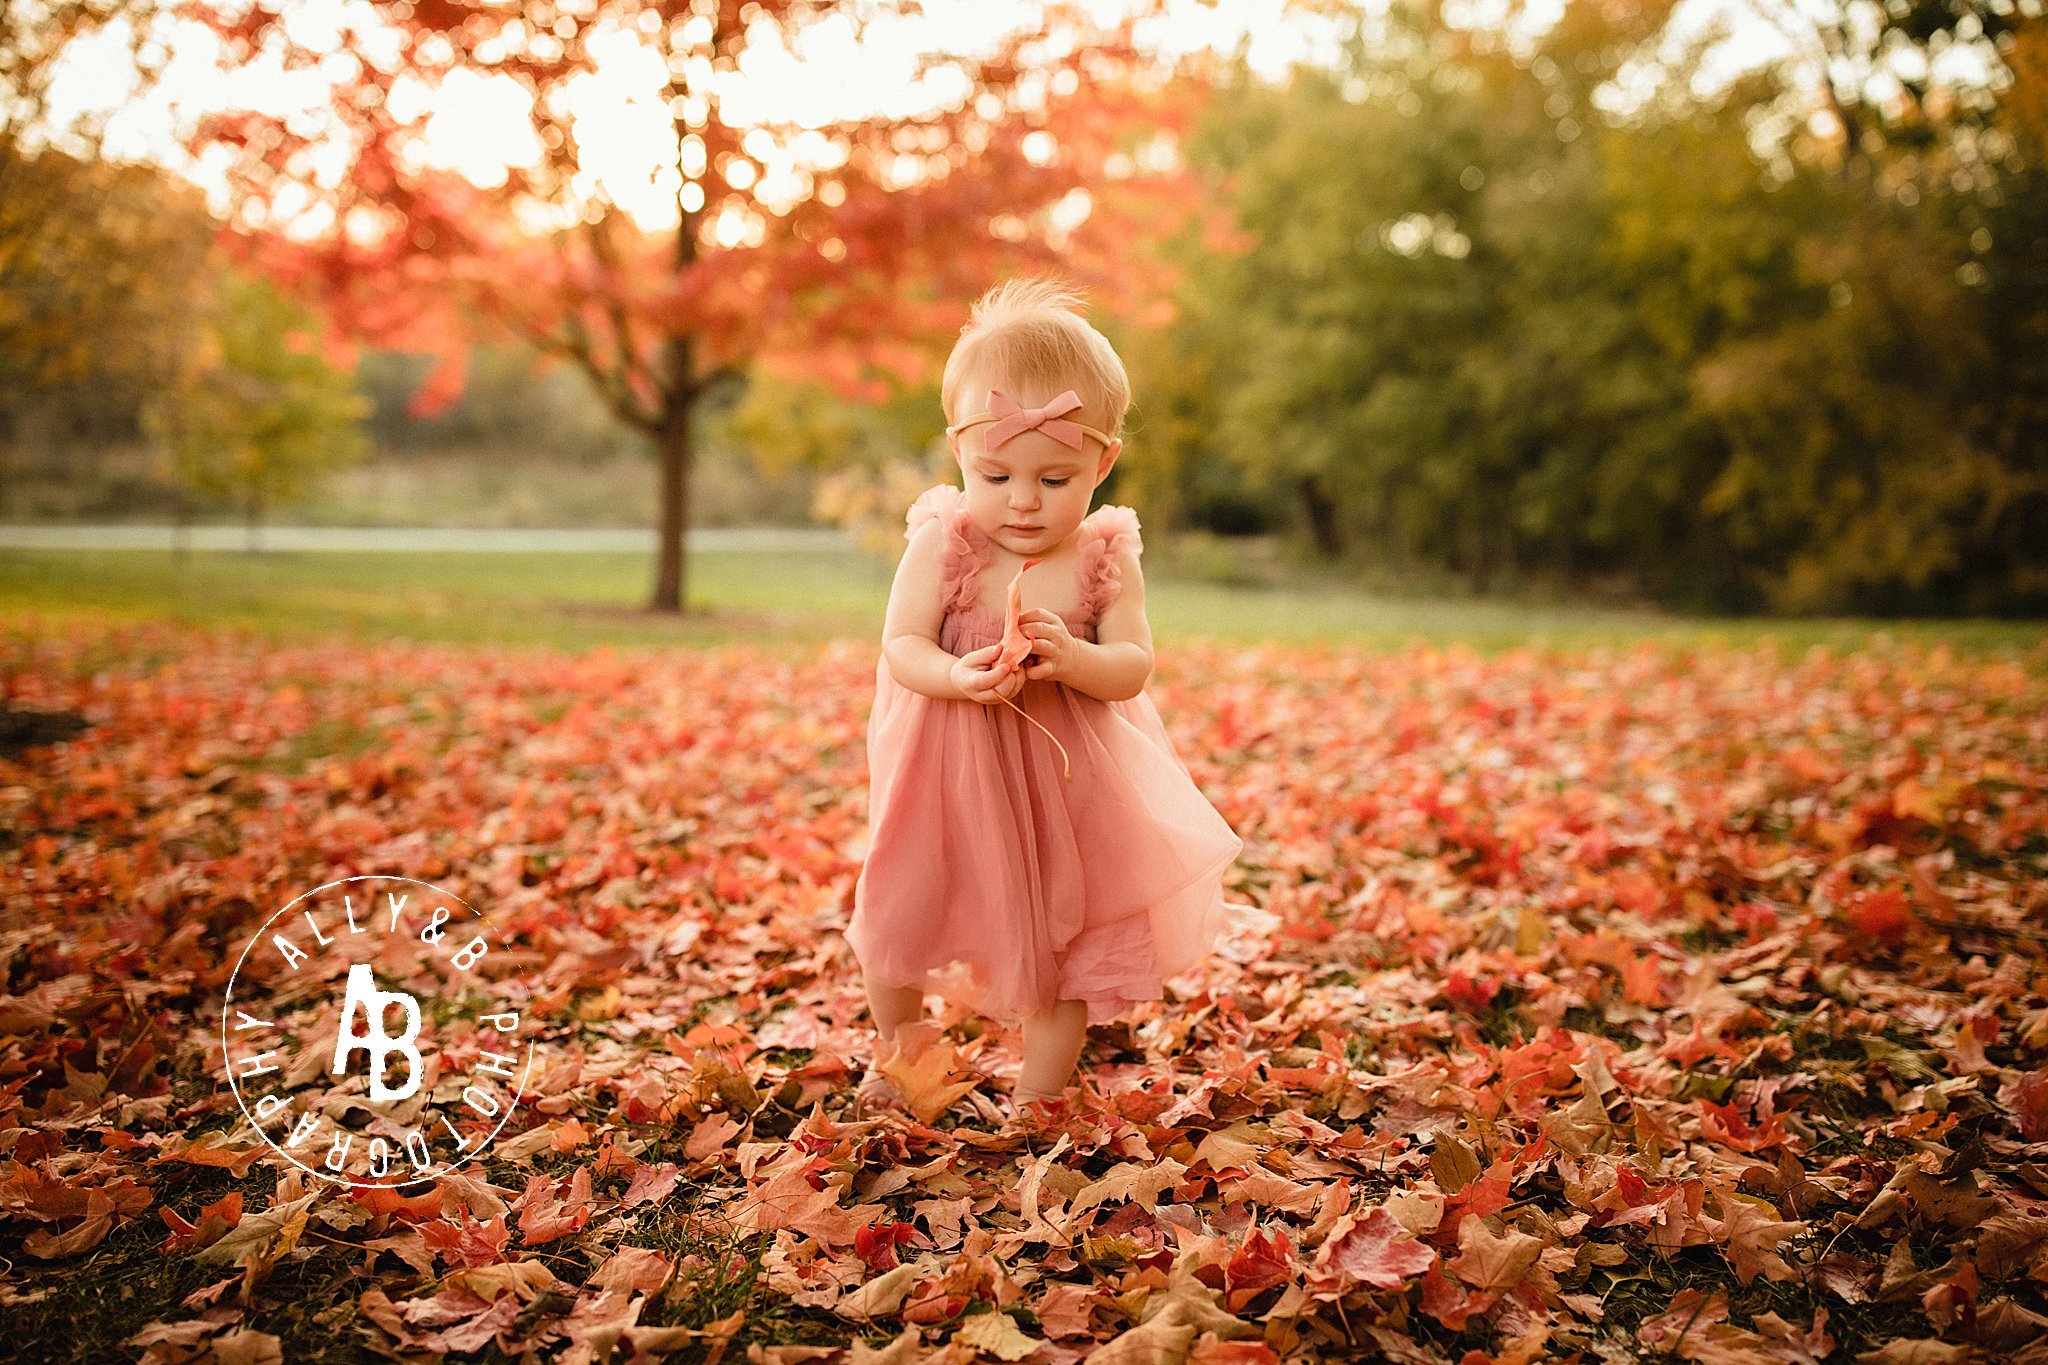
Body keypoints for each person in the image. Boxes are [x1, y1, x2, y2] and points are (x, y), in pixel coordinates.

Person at [844, 276, 1245, 1124]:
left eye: (1055, 478)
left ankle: (1039, 1093)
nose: (1023, 501)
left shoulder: (1103, 556)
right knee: (901, 908)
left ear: (1103, 463)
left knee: (1067, 937)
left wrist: (1075, 660)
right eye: (997, 474)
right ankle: (902, 1055)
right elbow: (902, 644)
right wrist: (957, 675)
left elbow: (1133, 663)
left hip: (1068, 790)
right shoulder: (943, 543)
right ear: (960, 453)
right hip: (949, 779)